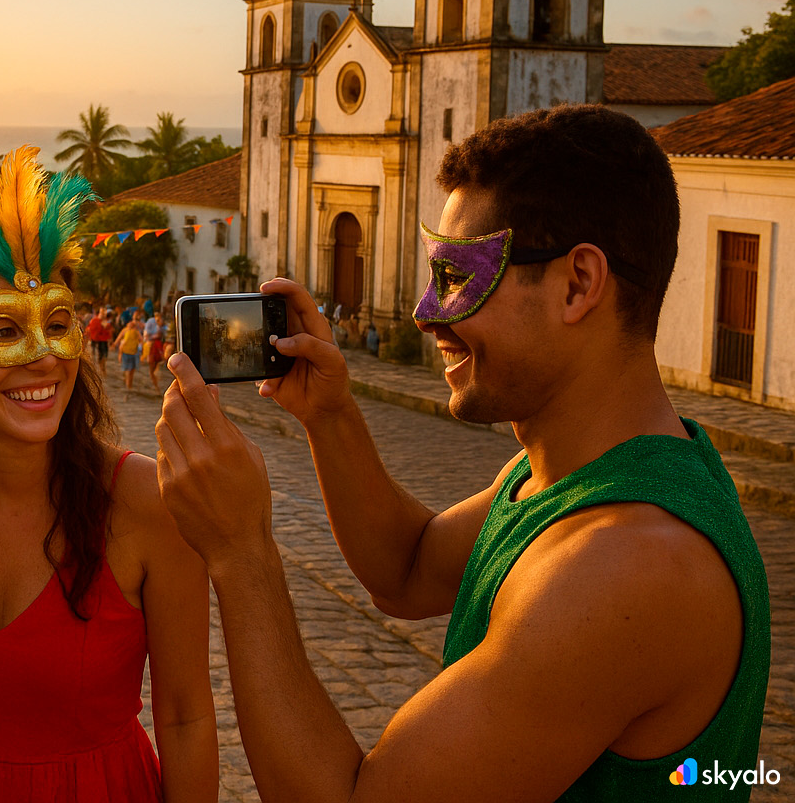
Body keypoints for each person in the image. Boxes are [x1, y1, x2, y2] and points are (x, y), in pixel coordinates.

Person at [155, 105, 771, 802]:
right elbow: (408, 570)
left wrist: (242, 551)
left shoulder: (629, 565)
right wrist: (330, 416)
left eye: (454, 278)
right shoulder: (573, 473)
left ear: (578, 284)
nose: (424, 312)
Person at [0, 147, 217, 802]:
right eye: (1, 332)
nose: (43, 359)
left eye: (58, 326)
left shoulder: (147, 505)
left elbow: (188, 718)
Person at [115, 310, 144, 390]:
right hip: (127, 352)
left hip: (132, 352)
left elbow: (141, 340)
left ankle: (129, 384)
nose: (131, 323)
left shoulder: (135, 330)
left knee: (130, 370)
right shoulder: (126, 330)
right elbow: (118, 339)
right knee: (129, 370)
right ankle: (128, 385)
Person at [144, 308, 167, 389]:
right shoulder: (151, 322)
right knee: (152, 366)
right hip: (153, 344)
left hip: (159, 344)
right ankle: (154, 383)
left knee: (157, 363)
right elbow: (147, 334)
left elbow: (164, 333)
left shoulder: (162, 325)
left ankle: (155, 383)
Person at [86, 306, 112, 376]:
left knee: (103, 357)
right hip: (94, 341)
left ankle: (102, 371)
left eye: (104, 312)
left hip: (102, 341)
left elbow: (108, 333)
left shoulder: (105, 322)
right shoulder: (94, 320)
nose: (103, 314)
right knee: (94, 357)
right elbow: (88, 329)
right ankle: (98, 372)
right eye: (102, 312)